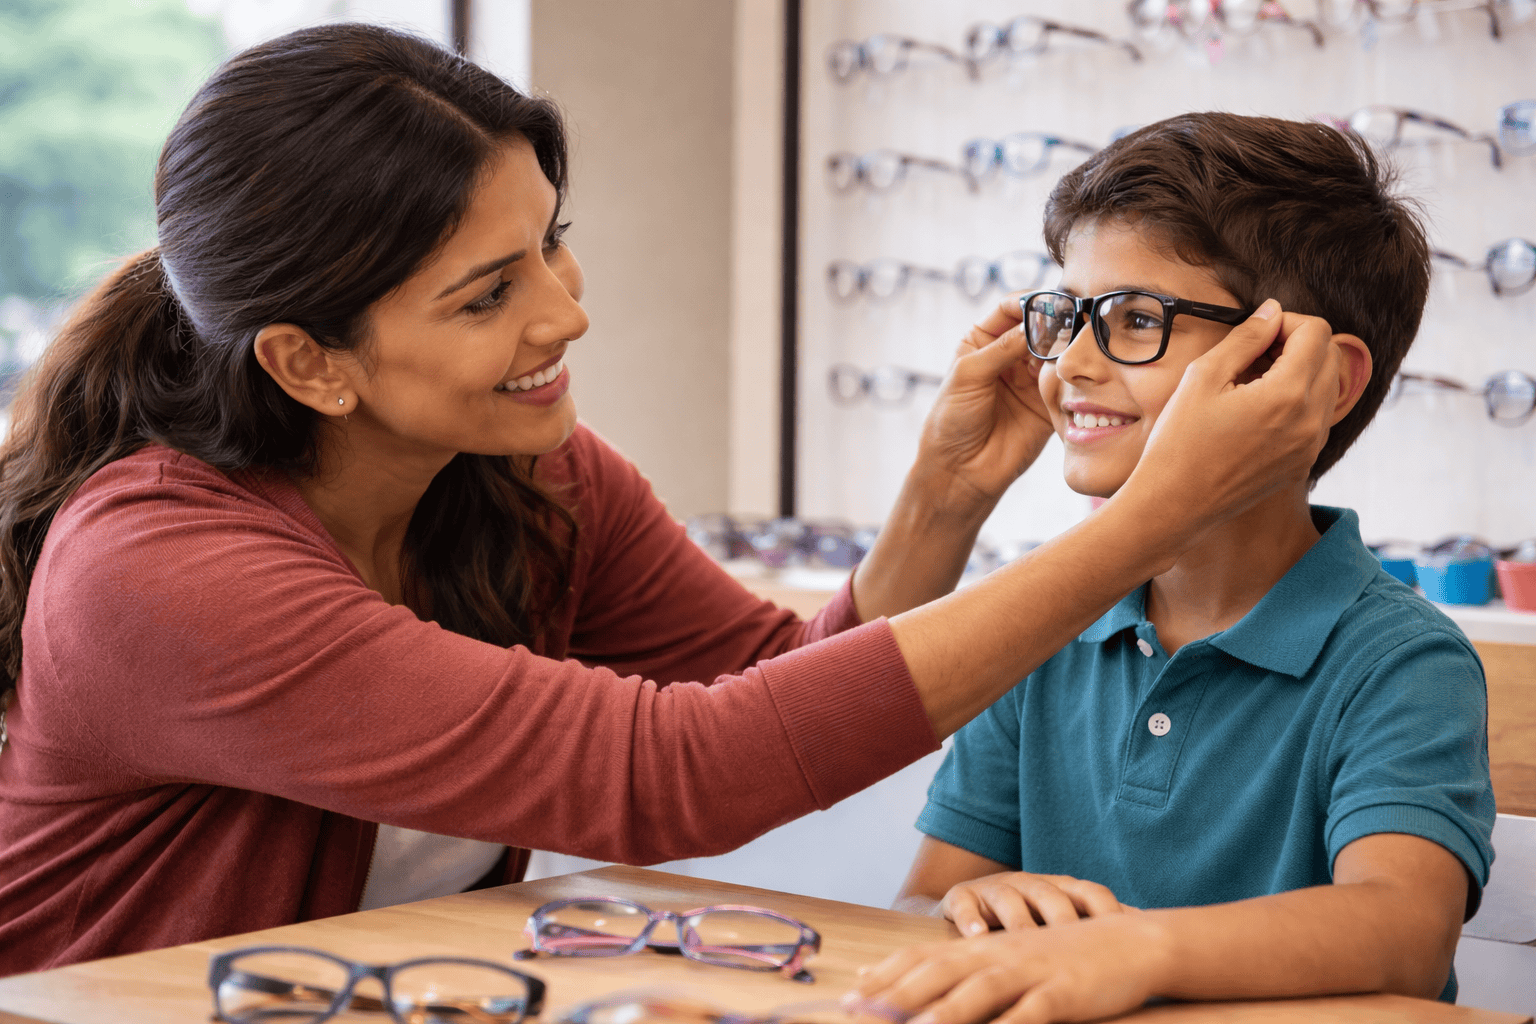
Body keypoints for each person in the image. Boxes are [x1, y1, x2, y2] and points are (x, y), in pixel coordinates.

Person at [0, 30, 1339, 974]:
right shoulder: (158, 572)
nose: (566, 315)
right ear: (307, 362)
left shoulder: (522, 483)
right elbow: (674, 775)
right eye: (489, 295)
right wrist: (1144, 525)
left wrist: (941, 504)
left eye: (551, 246)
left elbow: (770, 694)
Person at [847, 112, 1495, 1023]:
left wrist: (1132, 949)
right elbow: (922, 900)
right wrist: (962, 907)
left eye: (1137, 320)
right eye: (1069, 316)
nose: (1070, 362)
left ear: (1315, 376)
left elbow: (1404, 931)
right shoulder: (1041, 626)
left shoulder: (1400, 659)